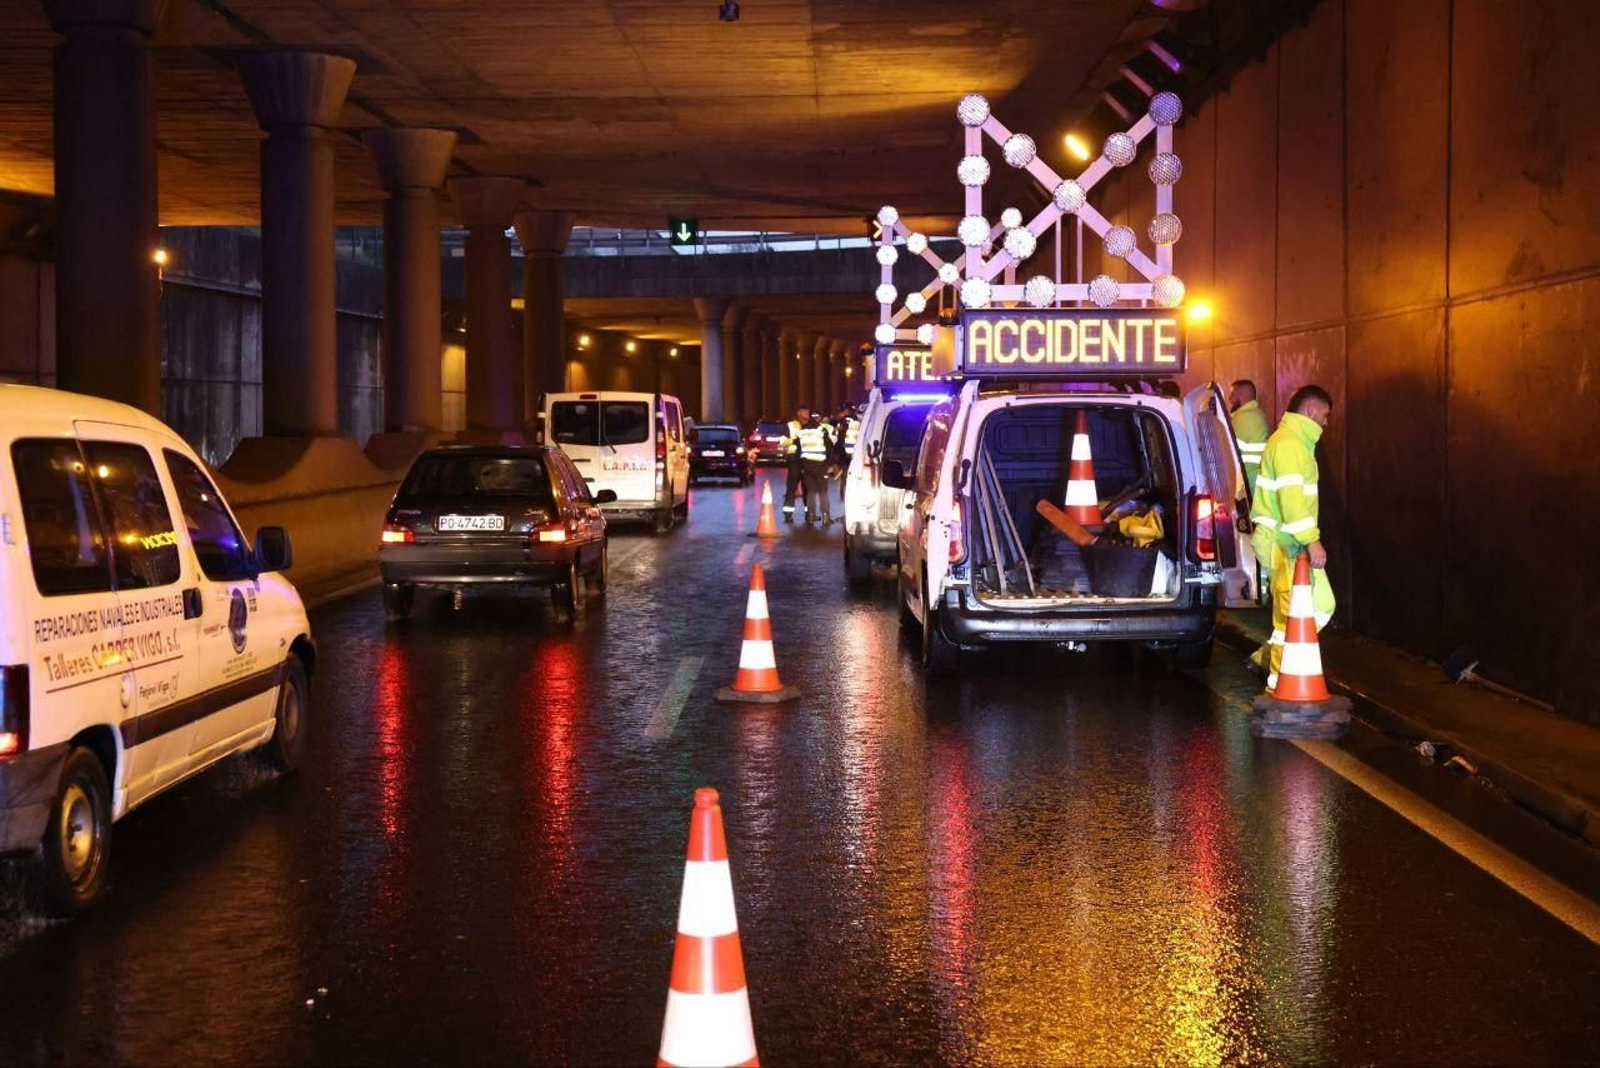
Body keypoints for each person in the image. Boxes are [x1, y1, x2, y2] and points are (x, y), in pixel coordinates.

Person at [1249, 384, 1335, 688]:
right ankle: (1278, 679)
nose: (1326, 423)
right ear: (1310, 410)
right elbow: (1292, 500)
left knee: (1316, 607)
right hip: (1286, 543)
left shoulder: (1294, 441)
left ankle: (1269, 661)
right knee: (1290, 617)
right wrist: (1312, 539)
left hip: (1288, 542)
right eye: (1324, 416)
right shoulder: (1290, 445)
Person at [1228, 379, 1270, 500]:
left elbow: (1228, 453)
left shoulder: (1244, 418)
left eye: (1233, 394)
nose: (1230, 399)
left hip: (1247, 484)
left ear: (1241, 395)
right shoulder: (1257, 415)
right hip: (1254, 482)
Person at [796, 411, 835, 526]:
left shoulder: (802, 431)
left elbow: (798, 449)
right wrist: (830, 464)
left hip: (807, 465)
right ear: (818, 419)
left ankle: (811, 517)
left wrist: (801, 465)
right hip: (820, 465)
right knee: (823, 491)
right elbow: (829, 448)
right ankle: (825, 517)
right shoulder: (821, 430)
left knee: (811, 492)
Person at [781, 404, 810, 522]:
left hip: (807, 460)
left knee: (808, 488)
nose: (807, 414)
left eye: (808, 412)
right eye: (805, 412)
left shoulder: (811, 426)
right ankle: (788, 514)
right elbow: (782, 440)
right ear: (799, 413)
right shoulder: (791, 425)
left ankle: (809, 514)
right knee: (791, 487)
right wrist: (794, 441)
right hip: (794, 461)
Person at [832, 404, 860, 502]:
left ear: (847, 411)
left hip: (846, 452)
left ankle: (844, 496)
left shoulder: (845, 421)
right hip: (856, 452)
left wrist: (837, 452)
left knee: (845, 475)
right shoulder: (858, 420)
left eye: (842, 411)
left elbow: (841, 438)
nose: (840, 413)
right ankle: (849, 495)